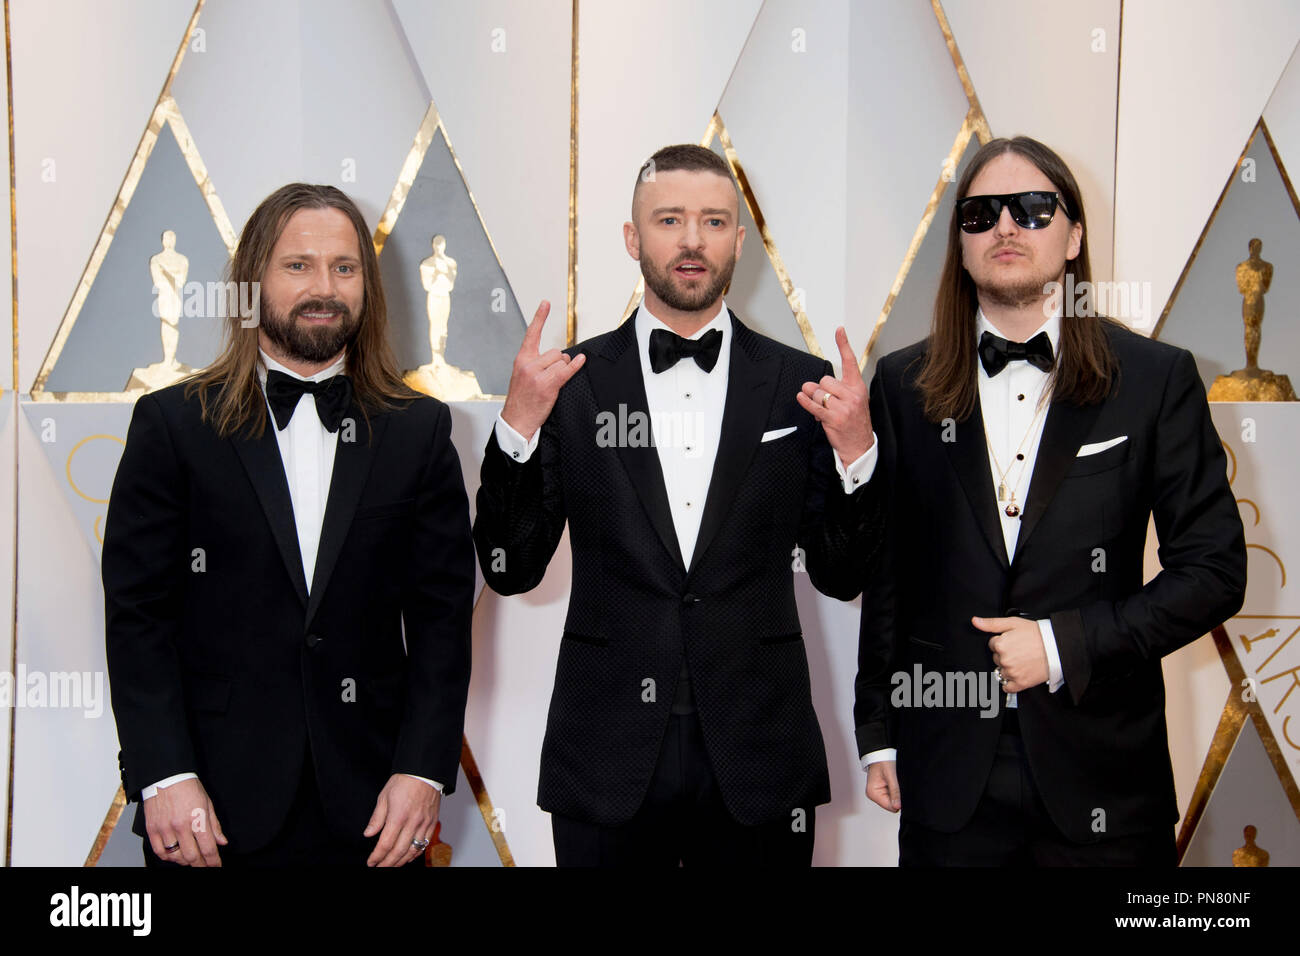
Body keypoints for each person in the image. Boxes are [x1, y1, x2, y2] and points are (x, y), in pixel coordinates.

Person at [473, 144, 879, 866]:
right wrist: (518, 427)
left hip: (759, 751)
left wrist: (856, 455)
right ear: (633, 239)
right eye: (669, 219)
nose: (692, 240)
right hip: (605, 756)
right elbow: (511, 569)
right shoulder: (572, 383)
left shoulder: (803, 383)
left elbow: (842, 575)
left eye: (713, 221)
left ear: (739, 242)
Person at [854, 136, 1247, 865]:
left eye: (1033, 209)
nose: (1006, 226)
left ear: (1073, 238)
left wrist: (1065, 645)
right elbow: (888, 574)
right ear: (961, 245)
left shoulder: (1155, 378)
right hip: (949, 772)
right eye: (981, 214)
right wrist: (877, 724)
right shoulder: (901, 386)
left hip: (1105, 774)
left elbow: (1215, 571)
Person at [103, 183, 475, 867]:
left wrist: (423, 771)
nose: (324, 287)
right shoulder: (173, 425)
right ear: (253, 281)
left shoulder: (418, 430)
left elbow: (442, 621)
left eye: (344, 266)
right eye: (298, 265)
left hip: (375, 811)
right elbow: (137, 617)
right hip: (207, 811)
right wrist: (163, 775)